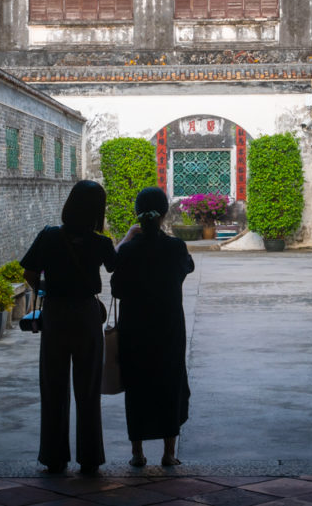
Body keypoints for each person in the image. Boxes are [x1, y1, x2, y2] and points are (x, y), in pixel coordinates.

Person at [21, 180, 137, 475]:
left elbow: (30, 272)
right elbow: (116, 266)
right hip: (86, 315)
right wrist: (127, 237)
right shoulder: (100, 243)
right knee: (88, 389)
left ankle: (54, 457)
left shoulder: (48, 236)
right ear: (97, 210)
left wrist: (49, 290)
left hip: (56, 314)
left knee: (53, 387)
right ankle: (90, 458)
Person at [110, 187, 195, 467]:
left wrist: (127, 239)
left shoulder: (129, 251)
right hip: (168, 328)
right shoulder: (176, 247)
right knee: (169, 385)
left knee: (138, 387)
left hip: (135, 330)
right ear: (164, 213)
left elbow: (116, 287)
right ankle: (169, 454)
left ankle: (137, 453)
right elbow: (188, 267)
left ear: (137, 213)